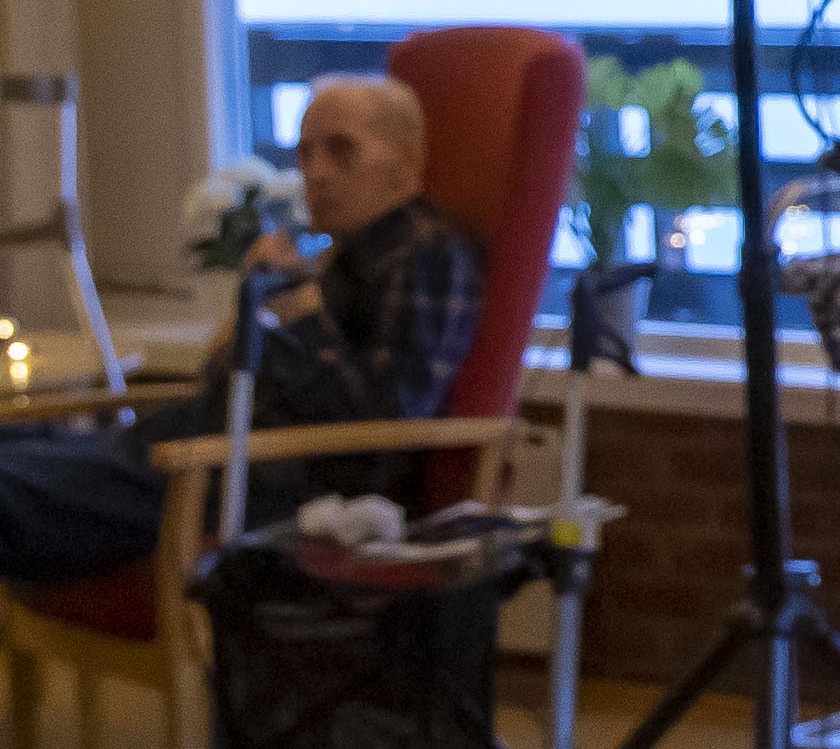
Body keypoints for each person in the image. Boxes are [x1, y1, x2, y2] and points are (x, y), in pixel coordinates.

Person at [0, 72, 483, 585]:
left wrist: (300, 312)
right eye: (306, 153)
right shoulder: (337, 259)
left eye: (341, 151)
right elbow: (224, 377)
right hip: (206, 441)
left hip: (270, 477)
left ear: (404, 161)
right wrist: (248, 322)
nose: (316, 173)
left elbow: (391, 418)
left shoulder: (426, 252)